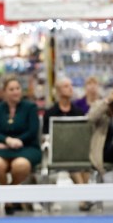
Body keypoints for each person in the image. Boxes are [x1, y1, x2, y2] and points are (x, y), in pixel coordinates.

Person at [0, 76, 42, 215]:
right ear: (4, 92)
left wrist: (17, 141)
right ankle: (10, 198)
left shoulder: (30, 107)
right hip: (4, 148)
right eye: (11, 89)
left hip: (28, 147)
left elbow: (32, 131)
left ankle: (8, 196)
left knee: (20, 165)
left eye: (17, 88)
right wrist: (8, 141)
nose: (15, 92)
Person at [43, 77, 93, 211]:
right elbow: (45, 135)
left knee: (83, 164)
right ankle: (84, 198)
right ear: (58, 91)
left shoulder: (79, 112)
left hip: (77, 150)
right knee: (75, 165)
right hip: (58, 151)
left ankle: (83, 199)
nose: (70, 88)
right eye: (66, 86)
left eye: (71, 85)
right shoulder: (50, 113)